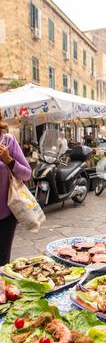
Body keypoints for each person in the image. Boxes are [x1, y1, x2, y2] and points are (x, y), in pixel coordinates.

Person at [0, 112, 32, 265]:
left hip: (4, 216)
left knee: (1, 264)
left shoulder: (7, 141)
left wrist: (9, 161)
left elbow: (27, 174)